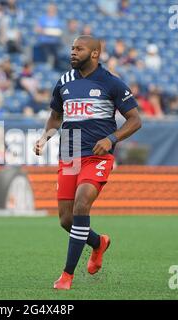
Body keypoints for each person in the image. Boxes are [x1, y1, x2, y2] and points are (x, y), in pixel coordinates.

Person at [33, 35, 141, 290]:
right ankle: (98, 243)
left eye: (78, 49)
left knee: (82, 206)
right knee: (66, 220)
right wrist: (44, 138)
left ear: (94, 54)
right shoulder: (64, 82)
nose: (72, 52)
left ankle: (67, 276)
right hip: (69, 153)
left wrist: (112, 138)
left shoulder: (111, 83)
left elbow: (135, 120)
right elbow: (55, 116)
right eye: (71, 48)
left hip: (97, 155)